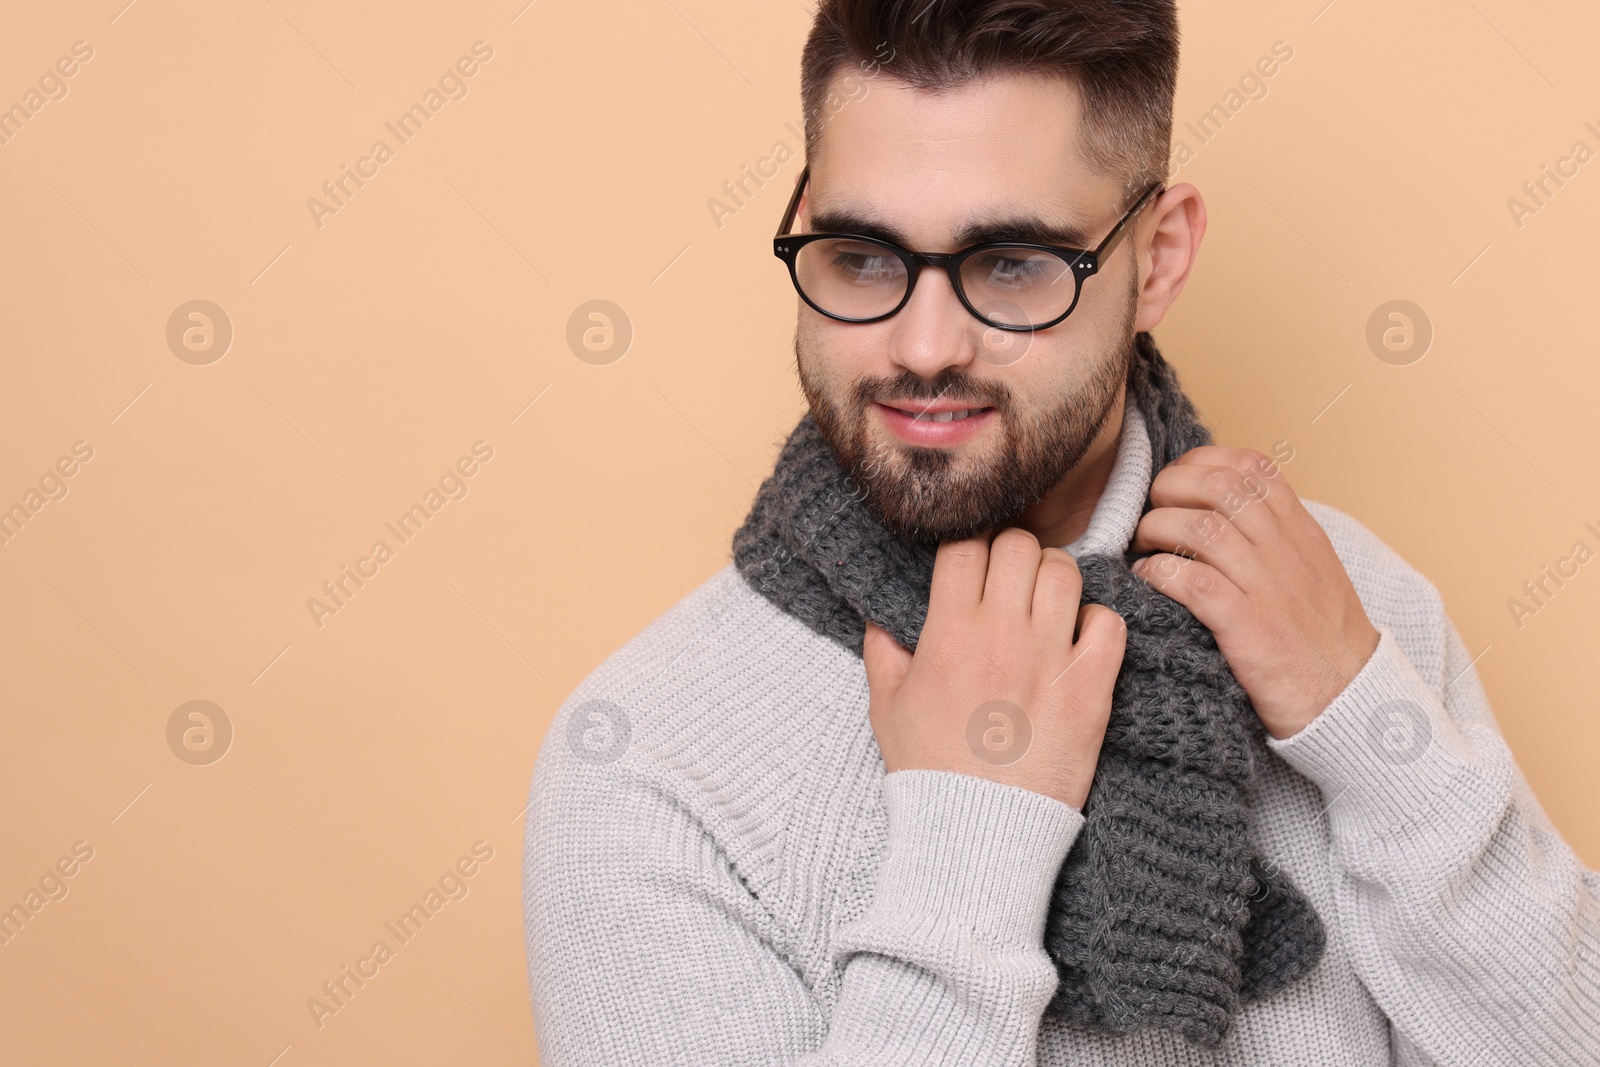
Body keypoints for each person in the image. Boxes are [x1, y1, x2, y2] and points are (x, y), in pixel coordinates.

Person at [522, 1, 1600, 1062]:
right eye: (861, 254)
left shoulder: (1352, 606)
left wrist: (1366, 722)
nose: (923, 343)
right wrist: (970, 830)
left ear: (1159, 259)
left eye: (1012, 262)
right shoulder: (645, 759)